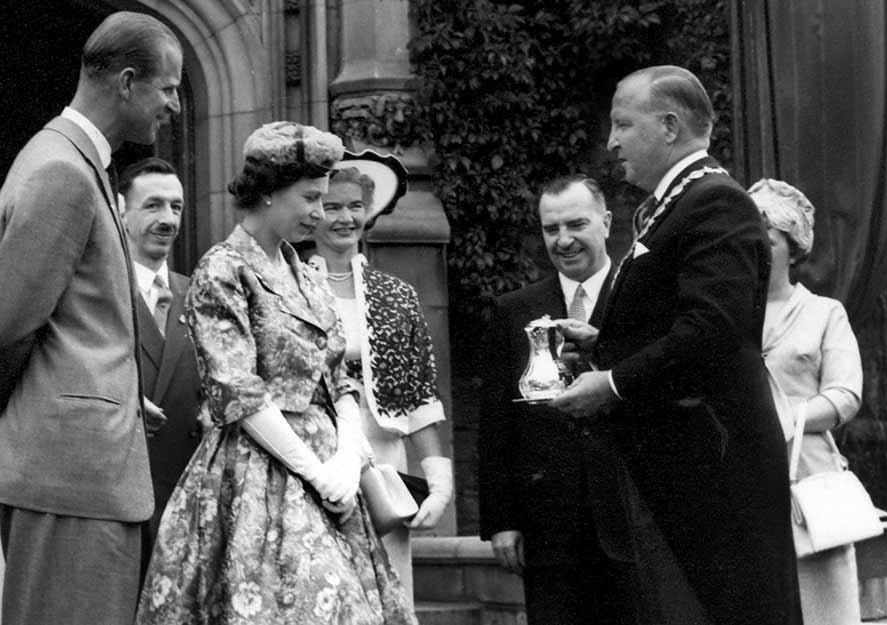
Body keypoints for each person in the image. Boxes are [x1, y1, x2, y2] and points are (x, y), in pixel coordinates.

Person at [0, 12, 183, 625]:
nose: (176, 106)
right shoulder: (63, 171)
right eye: (168, 88)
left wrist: (117, 391)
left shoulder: (70, 161)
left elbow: (51, 317)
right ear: (127, 83)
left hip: (78, 474)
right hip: (72, 478)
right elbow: (4, 329)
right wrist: (29, 410)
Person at [136, 122, 416, 624]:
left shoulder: (304, 274)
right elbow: (237, 391)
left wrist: (348, 459)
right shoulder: (224, 270)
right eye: (310, 197)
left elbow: (339, 377)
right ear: (267, 194)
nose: (319, 212)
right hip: (258, 469)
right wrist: (314, 470)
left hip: (333, 471)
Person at [551, 65, 802, 624]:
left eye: (622, 125)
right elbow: (683, 320)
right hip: (687, 463)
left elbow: (711, 331)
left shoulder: (717, 203)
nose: (612, 142)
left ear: (668, 126)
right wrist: (604, 341)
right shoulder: (678, 204)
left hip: (712, 467)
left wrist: (612, 383)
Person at [478, 174, 645, 624]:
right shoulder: (514, 311)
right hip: (550, 529)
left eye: (576, 225)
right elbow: (496, 423)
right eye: (552, 229)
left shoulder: (642, 303)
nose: (564, 240)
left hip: (634, 521)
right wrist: (502, 520)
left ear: (607, 223)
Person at [308, 156, 453, 599]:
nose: (345, 218)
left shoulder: (396, 296)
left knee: (386, 584)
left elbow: (418, 397)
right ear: (312, 212)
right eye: (331, 207)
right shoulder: (286, 286)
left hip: (384, 460)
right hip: (315, 455)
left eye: (355, 206)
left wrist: (439, 483)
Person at [749, 178, 863, 625]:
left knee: (824, 611)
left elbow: (845, 393)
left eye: (767, 237)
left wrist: (788, 417)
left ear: (792, 246)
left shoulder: (824, 313)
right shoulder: (727, 315)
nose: (754, 248)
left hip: (810, 483)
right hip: (746, 479)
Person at [118, 157, 205, 550]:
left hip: (187, 501)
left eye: (176, 207)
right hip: (118, 498)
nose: (168, 219)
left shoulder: (202, 295)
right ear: (121, 213)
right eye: (152, 205)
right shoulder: (97, 294)